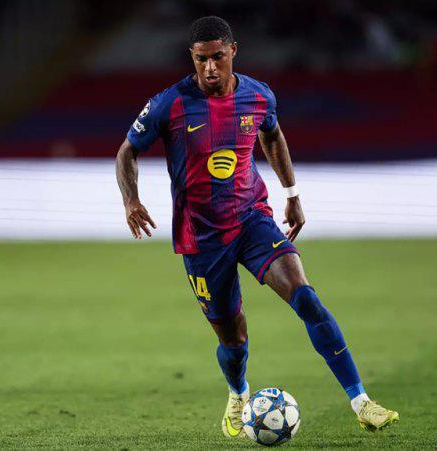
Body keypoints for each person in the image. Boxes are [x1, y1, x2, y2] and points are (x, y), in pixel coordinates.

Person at [115, 16, 399, 437]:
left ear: (233, 51)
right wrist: (131, 200)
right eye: (200, 59)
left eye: (217, 57)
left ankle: (361, 402)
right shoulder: (169, 104)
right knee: (233, 340)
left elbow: (273, 135)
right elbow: (127, 152)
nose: (209, 67)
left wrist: (292, 193)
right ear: (192, 58)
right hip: (201, 239)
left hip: (252, 220)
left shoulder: (258, 96)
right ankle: (238, 392)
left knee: (307, 299)